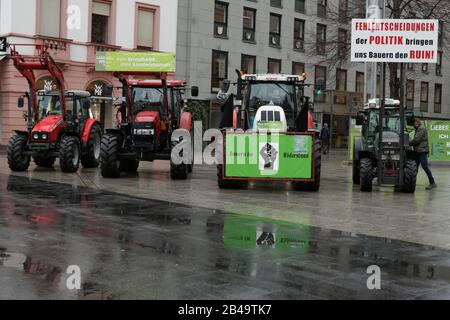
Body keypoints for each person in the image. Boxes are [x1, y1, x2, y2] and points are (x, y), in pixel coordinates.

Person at [409, 118, 437, 190]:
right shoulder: (418, 130)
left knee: (425, 166)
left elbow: (416, 140)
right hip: (418, 151)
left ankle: (432, 182)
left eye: (414, 123)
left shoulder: (421, 129)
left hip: (422, 151)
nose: (413, 125)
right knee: (415, 167)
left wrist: (408, 143)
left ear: (418, 123)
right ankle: (412, 182)